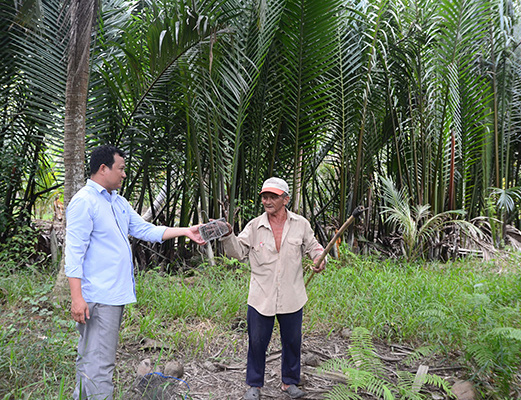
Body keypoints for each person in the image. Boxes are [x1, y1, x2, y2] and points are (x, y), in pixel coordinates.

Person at [64, 145, 205, 400]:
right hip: (98, 296)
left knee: (92, 360)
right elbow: (74, 254)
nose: (124, 174)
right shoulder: (84, 202)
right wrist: (77, 298)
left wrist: (186, 231)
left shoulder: (117, 202)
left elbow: (144, 229)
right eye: (121, 169)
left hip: (113, 295)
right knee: (100, 363)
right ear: (103, 169)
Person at [220, 177, 326, 400]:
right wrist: (228, 235)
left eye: (273, 197)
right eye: (264, 197)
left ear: (285, 199)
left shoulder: (301, 224)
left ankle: (289, 382)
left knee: (292, 341)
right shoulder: (254, 226)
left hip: (292, 294)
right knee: (257, 342)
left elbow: (314, 246)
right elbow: (237, 252)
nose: (267, 201)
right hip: (261, 296)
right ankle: (254, 385)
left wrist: (319, 258)